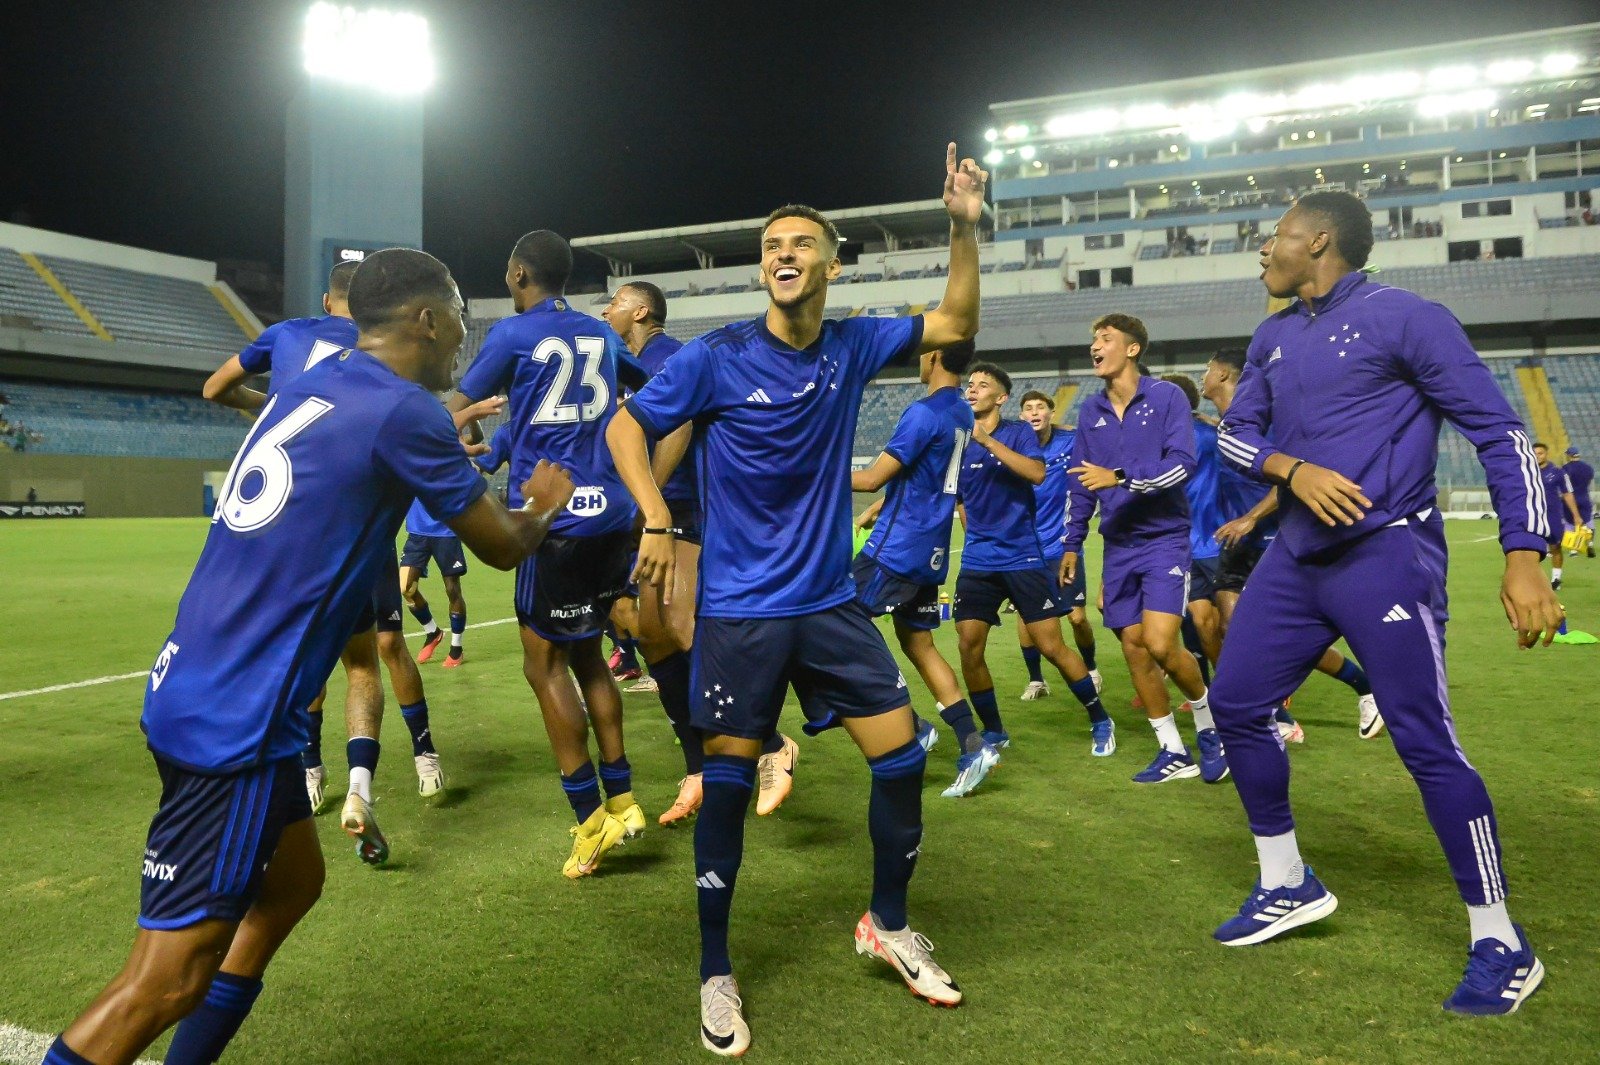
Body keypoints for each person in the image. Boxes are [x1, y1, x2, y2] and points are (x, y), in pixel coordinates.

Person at [42, 248, 574, 1065]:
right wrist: (542, 503)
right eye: (462, 319)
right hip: (239, 717)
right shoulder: (405, 413)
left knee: (290, 887)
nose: (466, 339)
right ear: (426, 320)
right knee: (164, 980)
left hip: (204, 680)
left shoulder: (311, 385)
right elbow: (502, 545)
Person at [607, 143, 985, 1056]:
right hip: (739, 615)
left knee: (900, 762)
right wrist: (655, 514)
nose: (783, 252)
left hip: (829, 606)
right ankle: (715, 972)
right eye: (772, 243)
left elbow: (956, 323)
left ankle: (886, 923)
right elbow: (627, 423)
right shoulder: (716, 355)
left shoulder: (855, 341)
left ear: (829, 265)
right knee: (729, 793)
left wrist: (964, 229)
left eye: (801, 243)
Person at [1209, 191, 1561, 1015]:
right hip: (1294, 559)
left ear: (1319, 241)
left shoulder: (1408, 317)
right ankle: (1287, 882)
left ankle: (1501, 940)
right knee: (1233, 702)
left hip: (1387, 555)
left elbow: (1501, 434)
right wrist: (1290, 470)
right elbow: (1233, 435)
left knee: (1424, 741)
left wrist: (1524, 556)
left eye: (1278, 237)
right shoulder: (1271, 336)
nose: (1265, 251)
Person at [202, 259, 470, 856]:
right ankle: (397, 769)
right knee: (375, 656)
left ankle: (305, 772)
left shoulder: (289, 337)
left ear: (328, 300)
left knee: (302, 658)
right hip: (357, 533)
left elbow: (213, 388)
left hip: (274, 537)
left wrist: (275, 408)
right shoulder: (380, 356)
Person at [449, 230, 645, 879]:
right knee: (588, 654)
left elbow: (452, 408)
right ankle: (623, 800)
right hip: (612, 512)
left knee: (544, 667)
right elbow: (648, 385)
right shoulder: (600, 334)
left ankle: (590, 822)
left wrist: (469, 416)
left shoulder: (511, 335)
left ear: (517, 273)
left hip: (551, 514)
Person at [1062, 315, 1224, 784]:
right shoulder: (1090, 411)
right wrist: (1072, 544)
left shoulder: (1167, 397)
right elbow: (1080, 485)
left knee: (1159, 642)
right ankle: (1173, 750)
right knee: (1134, 648)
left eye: (1106, 339)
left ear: (1132, 350)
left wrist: (1121, 478)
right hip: (1118, 545)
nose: (1095, 345)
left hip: (1164, 539)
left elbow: (1182, 465)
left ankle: (1211, 727)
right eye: (1093, 338)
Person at [1202, 349, 1382, 742]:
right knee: (1230, 625)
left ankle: (1364, 687)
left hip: (1270, 536)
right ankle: (1273, 713)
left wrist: (1252, 517)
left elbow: (1288, 477)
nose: (1203, 377)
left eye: (1207, 370)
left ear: (1221, 373)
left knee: (1284, 635)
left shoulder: (1266, 422)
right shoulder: (1228, 425)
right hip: (1237, 540)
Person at [956, 361, 1114, 791]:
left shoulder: (1016, 431)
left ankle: (1100, 718)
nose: (973, 390)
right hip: (977, 561)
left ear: (1000, 397)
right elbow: (957, 497)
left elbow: (1036, 472)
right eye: (970, 385)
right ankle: (994, 730)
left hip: (1024, 558)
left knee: (1051, 644)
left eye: (983, 385)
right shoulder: (958, 440)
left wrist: (987, 440)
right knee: (968, 647)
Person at [850, 338, 976, 781]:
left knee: (835, 622)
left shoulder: (923, 413)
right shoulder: (961, 411)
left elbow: (869, 478)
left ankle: (910, 726)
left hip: (896, 550)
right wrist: (882, 504)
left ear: (935, 356)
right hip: (932, 547)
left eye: (924, 350)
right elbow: (921, 477)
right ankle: (973, 744)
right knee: (919, 644)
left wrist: (807, 471)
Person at [1013, 389, 1101, 701]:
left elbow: (1095, 437)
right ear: (1022, 415)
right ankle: (1036, 680)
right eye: (1028, 408)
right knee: (1028, 618)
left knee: (1077, 617)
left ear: (1052, 413)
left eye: (1040, 407)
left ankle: (1090, 668)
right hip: (1026, 550)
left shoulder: (1071, 441)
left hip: (1064, 547)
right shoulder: (1016, 447)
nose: (1034, 412)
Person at [1162, 374, 1224, 686]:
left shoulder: (1205, 437)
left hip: (1214, 543)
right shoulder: (1200, 432)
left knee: (1229, 623)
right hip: (1183, 545)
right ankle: (1218, 689)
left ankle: (1269, 699)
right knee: (1200, 621)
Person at [401, 498, 470, 667]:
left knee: (452, 589)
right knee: (405, 587)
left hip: (446, 532)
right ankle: (433, 632)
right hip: (417, 532)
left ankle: (456, 647)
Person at [1534, 443, 1583, 588]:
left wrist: (1576, 515)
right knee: (1531, 548)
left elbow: (1567, 494)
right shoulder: (1526, 471)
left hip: (1552, 515)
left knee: (1555, 547)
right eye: (1534, 453)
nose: (1537, 456)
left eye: (1540, 453)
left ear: (1546, 454)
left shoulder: (1558, 472)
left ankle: (1556, 579)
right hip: (1533, 516)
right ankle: (1534, 579)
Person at [1564, 445, 1594, 558]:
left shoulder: (1566, 468)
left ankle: (1573, 550)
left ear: (1569, 455)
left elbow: (1563, 486)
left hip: (1570, 499)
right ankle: (1589, 543)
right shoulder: (1588, 468)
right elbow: (1589, 483)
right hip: (1584, 497)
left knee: (1570, 523)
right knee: (1587, 522)